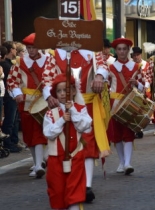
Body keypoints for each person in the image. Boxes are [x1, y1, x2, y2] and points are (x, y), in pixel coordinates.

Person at [43, 44, 110, 203]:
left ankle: (86, 186)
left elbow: (103, 65)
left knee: (88, 143)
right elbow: (46, 78)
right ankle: (65, 182)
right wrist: (48, 96)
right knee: (63, 142)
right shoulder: (54, 54)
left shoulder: (93, 51)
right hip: (60, 106)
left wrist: (99, 76)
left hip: (87, 103)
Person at [43, 74, 92, 210]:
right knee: (57, 193)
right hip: (55, 159)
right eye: (59, 91)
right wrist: (62, 120)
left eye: (66, 90)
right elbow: (48, 133)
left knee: (75, 192)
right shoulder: (50, 114)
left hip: (75, 156)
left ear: (74, 91)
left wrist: (73, 111)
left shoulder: (81, 109)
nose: (63, 94)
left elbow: (85, 126)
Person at [6, 33, 52, 177]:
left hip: (43, 102)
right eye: (29, 48)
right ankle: (37, 162)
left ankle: (39, 164)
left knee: (40, 132)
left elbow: (54, 79)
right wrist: (17, 93)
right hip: (25, 102)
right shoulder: (19, 62)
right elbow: (11, 81)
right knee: (28, 134)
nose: (31, 50)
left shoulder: (49, 61)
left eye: (34, 48)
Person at [108, 37, 144, 175]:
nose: (122, 52)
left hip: (130, 103)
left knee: (128, 132)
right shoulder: (110, 68)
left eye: (124, 49)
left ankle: (128, 163)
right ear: (116, 51)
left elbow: (144, 86)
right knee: (116, 134)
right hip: (115, 104)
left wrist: (137, 84)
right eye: (119, 49)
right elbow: (106, 86)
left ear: (128, 50)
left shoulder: (136, 67)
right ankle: (122, 162)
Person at [0, 41, 21, 152]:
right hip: (8, 96)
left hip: (11, 95)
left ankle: (12, 141)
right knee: (9, 120)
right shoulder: (5, 65)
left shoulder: (10, 64)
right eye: (14, 48)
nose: (15, 51)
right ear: (9, 50)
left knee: (13, 120)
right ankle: (8, 143)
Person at [131, 46, 149, 139]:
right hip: (133, 90)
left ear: (140, 55)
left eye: (137, 55)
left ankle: (140, 130)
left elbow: (148, 79)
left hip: (143, 90)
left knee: (141, 111)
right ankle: (136, 130)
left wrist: (144, 87)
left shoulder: (146, 64)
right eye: (134, 55)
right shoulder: (131, 65)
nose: (136, 57)